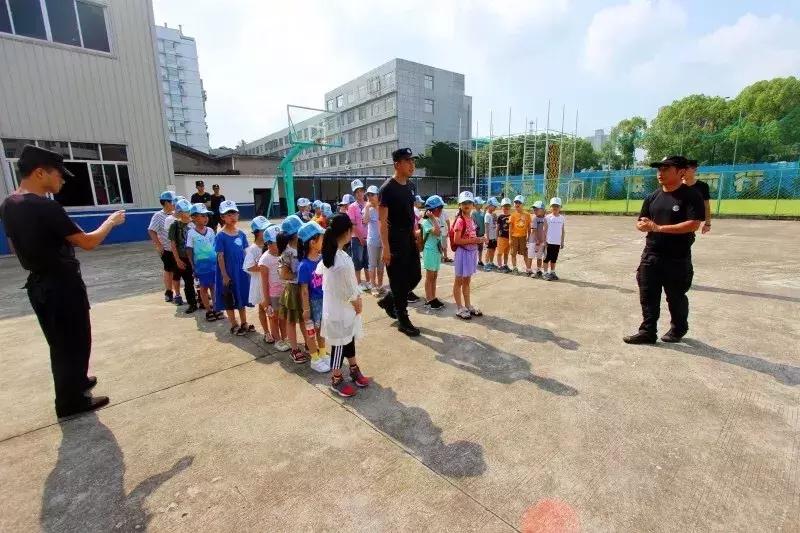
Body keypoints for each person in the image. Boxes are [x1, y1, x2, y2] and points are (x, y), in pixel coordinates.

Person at [0, 145, 125, 417]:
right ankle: (70, 402)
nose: (62, 180)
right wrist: (111, 221)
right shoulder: (45, 206)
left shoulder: (9, 204)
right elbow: (89, 242)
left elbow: (13, 245)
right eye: (58, 174)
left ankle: (77, 381)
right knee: (73, 341)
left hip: (39, 283)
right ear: (40, 172)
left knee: (63, 340)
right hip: (61, 284)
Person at [624, 155, 705, 344]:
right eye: (659, 169)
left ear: (681, 171)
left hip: (677, 257)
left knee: (675, 296)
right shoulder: (652, 196)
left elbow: (693, 224)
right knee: (648, 294)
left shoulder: (691, 195)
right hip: (651, 255)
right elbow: (641, 221)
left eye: (666, 169)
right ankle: (648, 331)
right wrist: (643, 226)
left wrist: (658, 228)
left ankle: (678, 328)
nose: (660, 173)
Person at [318, 213, 369, 397]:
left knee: (349, 338)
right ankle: (336, 378)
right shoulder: (338, 260)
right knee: (339, 345)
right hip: (341, 309)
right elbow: (346, 290)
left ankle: (354, 368)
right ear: (347, 232)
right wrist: (357, 302)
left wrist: (356, 299)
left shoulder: (336, 254)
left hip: (342, 310)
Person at [377, 147, 423, 336]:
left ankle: (390, 299)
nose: (412, 165)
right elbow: (382, 222)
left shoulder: (411, 186)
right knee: (397, 279)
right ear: (397, 164)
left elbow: (410, 213)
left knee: (415, 276)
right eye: (408, 161)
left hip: (408, 238)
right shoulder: (387, 188)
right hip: (394, 239)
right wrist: (385, 248)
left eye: (413, 161)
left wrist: (414, 232)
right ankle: (402, 319)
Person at [214, 200, 253, 335]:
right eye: (228, 214)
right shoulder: (220, 235)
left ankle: (244, 322)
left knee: (241, 295)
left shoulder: (241, 234)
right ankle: (234, 324)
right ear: (222, 217)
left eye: (234, 213)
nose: (232, 217)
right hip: (228, 272)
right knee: (229, 298)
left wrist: (249, 270)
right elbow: (220, 256)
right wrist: (224, 275)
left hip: (240, 272)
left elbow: (246, 253)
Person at [297, 221, 329, 373]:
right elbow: (303, 290)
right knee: (311, 331)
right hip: (312, 303)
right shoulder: (304, 265)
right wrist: (305, 309)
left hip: (324, 301)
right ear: (312, 242)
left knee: (322, 329)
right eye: (321, 238)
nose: (324, 241)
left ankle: (322, 353)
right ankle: (315, 359)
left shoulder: (323, 259)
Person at [277, 214, 309, 363]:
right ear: (295, 233)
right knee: (291, 321)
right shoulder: (287, 251)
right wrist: (298, 275)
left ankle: (309, 344)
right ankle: (294, 349)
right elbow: (283, 274)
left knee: (304, 319)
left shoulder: (304, 245)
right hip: (293, 290)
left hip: (304, 288)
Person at [451, 191, 483, 320]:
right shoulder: (460, 221)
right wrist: (474, 241)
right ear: (460, 205)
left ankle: (468, 305)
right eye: (464, 203)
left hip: (471, 253)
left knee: (467, 281)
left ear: (473, 205)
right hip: (462, 253)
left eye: (469, 202)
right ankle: (459, 308)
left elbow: (471, 236)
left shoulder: (472, 219)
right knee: (459, 281)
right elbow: (457, 240)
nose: (467, 205)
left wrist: (480, 239)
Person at [185, 203, 220, 322]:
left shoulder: (210, 230)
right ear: (194, 218)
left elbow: (215, 247)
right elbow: (189, 250)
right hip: (201, 267)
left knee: (214, 287)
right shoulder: (191, 233)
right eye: (202, 216)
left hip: (213, 265)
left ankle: (216, 308)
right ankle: (208, 311)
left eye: (206, 216)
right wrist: (193, 266)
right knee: (204, 288)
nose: (205, 218)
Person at [259, 225, 289, 351]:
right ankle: (277, 339)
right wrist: (266, 300)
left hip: (285, 292)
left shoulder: (284, 254)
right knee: (273, 317)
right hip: (273, 295)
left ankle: (285, 337)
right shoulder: (265, 260)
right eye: (277, 242)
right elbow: (264, 282)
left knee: (284, 317)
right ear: (268, 243)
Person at [244, 216, 273, 344]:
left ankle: (275, 332)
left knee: (273, 307)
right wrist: (263, 267)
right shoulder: (252, 249)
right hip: (259, 282)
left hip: (271, 281)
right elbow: (248, 266)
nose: (266, 231)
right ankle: (267, 332)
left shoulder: (270, 245)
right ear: (256, 232)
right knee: (263, 308)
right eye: (263, 229)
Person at [168, 199, 198, 313]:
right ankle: (192, 303)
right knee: (188, 281)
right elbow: (173, 244)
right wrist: (177, 260)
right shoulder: (175, 226)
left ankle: (201, 299)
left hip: (196, 257)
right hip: (183, 258)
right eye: (186, 211)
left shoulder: (195, 224)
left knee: (199, 280)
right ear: (179, 213)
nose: (188, 213)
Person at [148, 190, 177, 302]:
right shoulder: (158, 216)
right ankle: (169, 291)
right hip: (167, 248)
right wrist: (159, 245)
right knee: (168, 270)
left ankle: (179, 292)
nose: (174, 204)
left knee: (178, 271)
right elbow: (151, 230)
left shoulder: (177, 214)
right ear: (165, 202)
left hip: (178, 249)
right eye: (172, 202)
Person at [420, 195, 445, 310]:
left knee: (435, 276)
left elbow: (441, 235)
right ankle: (429, 299)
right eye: (439, 209)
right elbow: (437, 232)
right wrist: (433, 219)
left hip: (436, 251)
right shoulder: (426, 222)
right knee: (429, 276)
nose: (441, 211)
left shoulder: (437, 220)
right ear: (431, 211)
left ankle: (433, 297)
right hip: (429, 251)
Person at [347, 179, 371, 291]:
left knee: (367, 260)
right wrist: (361, 238)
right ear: (354, 194)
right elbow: (353, 225)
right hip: (357, 239)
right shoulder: (352, 207)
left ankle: (368, 281)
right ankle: (358, 283)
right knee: (357, 261)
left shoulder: (368, 205)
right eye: (356, 192)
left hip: (369, 237)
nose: (359, 193)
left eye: (361, 190)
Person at [363, 185, 385, 296]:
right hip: (372, 241)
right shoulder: (367, 208)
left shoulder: (382, 207)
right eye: (368, 195)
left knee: (381, 264)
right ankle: (373, 286)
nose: (370, 197)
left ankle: (380, 285)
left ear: (378, 195)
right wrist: (367, 208)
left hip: (383, 240)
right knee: (372, 264)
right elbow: (365, 221)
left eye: (372, 194)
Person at [683, 159, 711, 234]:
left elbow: (706, 205)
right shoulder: (677, 185)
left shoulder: (702, 186)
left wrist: (707, 223)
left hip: (693, 222)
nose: (683, 171)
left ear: (694, 169)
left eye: (686, 168)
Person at [543, 198, 566, 281]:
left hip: (557, 243)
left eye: (557, 206)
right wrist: (544, 241)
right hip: (549, 242)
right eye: (553, 206)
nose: (555, 207)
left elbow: (562, 230)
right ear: (550, 207)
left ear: (560, 207)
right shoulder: (547, 218)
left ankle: (552, 272)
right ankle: (545, 273)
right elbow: (544, 230)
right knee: (546, 258)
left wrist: (562, 241)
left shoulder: (562, 218)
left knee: (554, 258)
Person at [509, 195, 531, 275]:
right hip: (514, 237)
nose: (517, 204)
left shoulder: (527, 215)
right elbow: (510, 228)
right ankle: (514, 268)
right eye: (516, 202)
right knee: (513, 253)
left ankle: (528, 269)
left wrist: (529, 237)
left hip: (523, 237)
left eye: (519, 202)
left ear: (523, 204)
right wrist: (510, 239)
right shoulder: (513, 215)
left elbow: (529, 227)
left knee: (525, 253)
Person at [528, 200, 547, 278]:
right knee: (531, 256)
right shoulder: (534, 218)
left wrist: (543, 241)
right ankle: (528, 270)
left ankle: (538, 270)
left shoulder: (546, 218)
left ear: (543, 209)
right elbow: (534, 230)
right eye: (534, 209)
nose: (535, 211)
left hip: (541, 241)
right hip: (533, 241)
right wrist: (537, 240)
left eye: (537, 209)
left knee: (539, 257)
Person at [496, 198, 512, 273]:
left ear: (510, 207)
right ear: (502, 207)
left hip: (509, 238)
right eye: (504, 206)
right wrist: (496, 237)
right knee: (500, 252)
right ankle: (499, 266)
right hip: (501, 237)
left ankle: (505, 265)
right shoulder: (500, 217)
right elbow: (497, 228)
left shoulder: (512, 216)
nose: (506, 208)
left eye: (508, 206)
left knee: (506, 253)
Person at [483, 197, 499, 271]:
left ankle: (491, 262)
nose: (495, 207)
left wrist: (496, 218)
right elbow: (486, 227)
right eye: (494, 206)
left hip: (494, 237)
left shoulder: (493, 214)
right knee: (489, 250)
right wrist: (487, 237)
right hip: (489, 237)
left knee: (493, 249)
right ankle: (486, 264)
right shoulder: (487, 215)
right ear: (489, 205)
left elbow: (495, 224)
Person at [472, 197, 486, 267]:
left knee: (480, 248)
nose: (481, 205)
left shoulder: (482, 213)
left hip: (481, 233)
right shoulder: (473, 213)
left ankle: (480, 260)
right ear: (476, 205)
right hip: (476, 234)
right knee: (474, 248)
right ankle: (473, 260)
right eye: (480, 204)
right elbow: (473, 222)